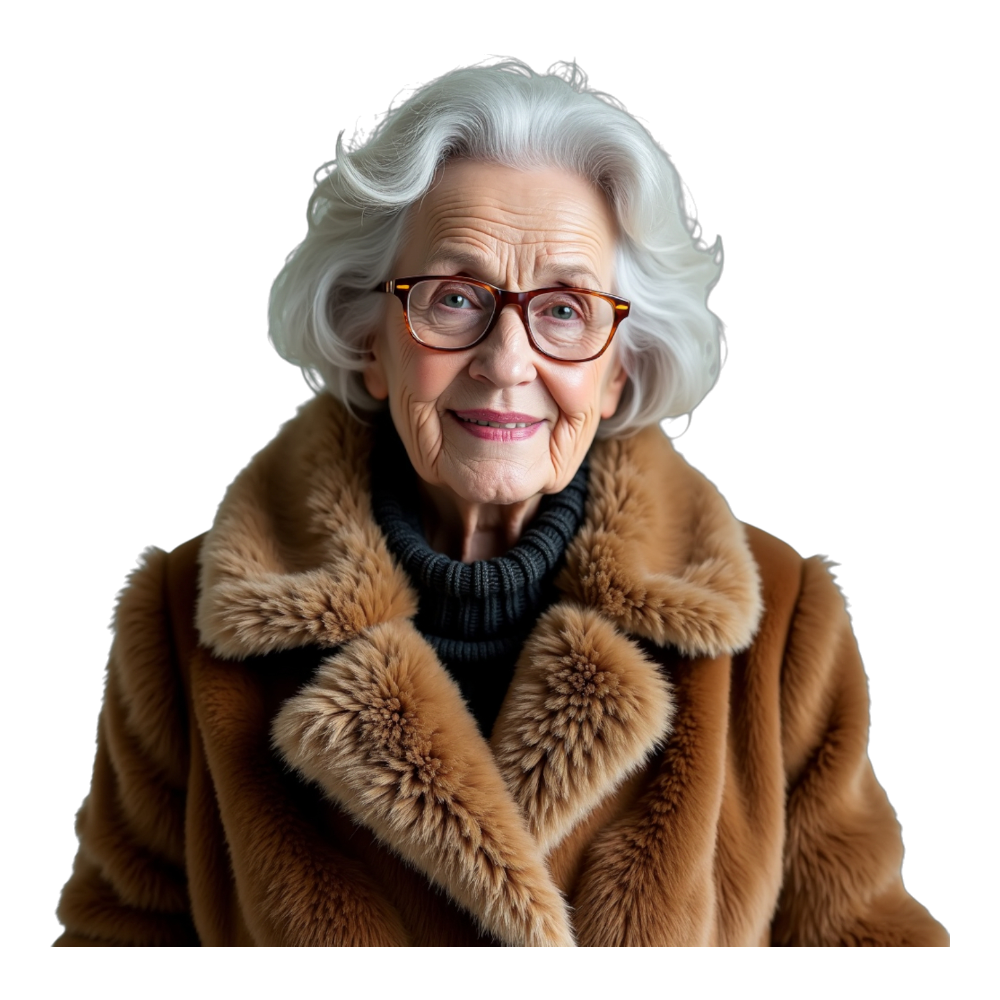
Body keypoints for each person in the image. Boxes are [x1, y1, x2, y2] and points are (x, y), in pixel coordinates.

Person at [55, 63, 948, 947]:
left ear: (619, 367)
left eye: (564, 309)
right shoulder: (181, 625)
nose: (507, 360)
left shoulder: (781, 625)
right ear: (371, 339)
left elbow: (864, 934)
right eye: (454, 299)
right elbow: (119, 932)